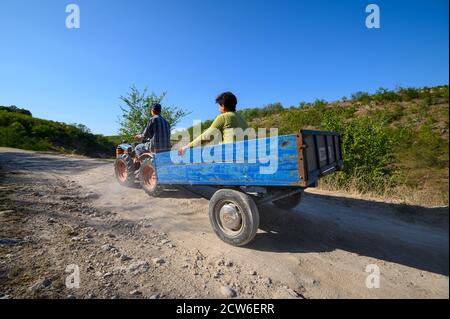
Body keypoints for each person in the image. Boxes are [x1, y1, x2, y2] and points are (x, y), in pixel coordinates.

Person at [179, 92, 248, 155]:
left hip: (230, 155)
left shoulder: (223, 117)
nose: (218, 108)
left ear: (223, 105)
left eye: (219, 106)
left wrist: (187, 147)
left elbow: (206, 136)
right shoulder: (242, 119)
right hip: (244, 155)